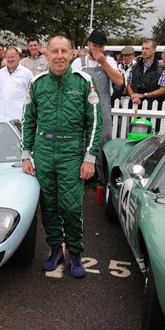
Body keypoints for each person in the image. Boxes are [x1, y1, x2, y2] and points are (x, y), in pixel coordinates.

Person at [22, 35, 102, 278]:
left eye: (63, 51)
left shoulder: (84, 82)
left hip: (71, 154)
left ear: (72, 54)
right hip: (44, 152)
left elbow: (95, 122)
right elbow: (28, 120)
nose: (59, 55)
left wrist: (90, 158)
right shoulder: (37, 83)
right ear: (46, 54)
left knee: (70, 206)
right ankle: (55, 249)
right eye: (54, 51)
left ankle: (75, 253)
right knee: (49, 207)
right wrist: (26, 154)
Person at [71, 30, 123, 183]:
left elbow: (120, 82)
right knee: (82, 139)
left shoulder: (111, 62)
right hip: (81, 108)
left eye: (101, 46)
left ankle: (102, 180)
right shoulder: (78, 63)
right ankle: (81, 177)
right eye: (94, 46)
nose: (97, 50)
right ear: (88, 44)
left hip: (103, 108)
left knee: (103, 141)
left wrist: (104, 62)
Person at [0, 47, 33, 120]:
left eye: (12, 57)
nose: (10, 59)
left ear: (18, 57)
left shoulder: (27, 73)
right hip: (2, 115)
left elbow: (31, 95)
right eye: (8, 57)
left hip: (18, 117)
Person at [126, 39, 165, 106]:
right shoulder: (135, 67)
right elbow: (129, 85)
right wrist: (133, 96)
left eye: (147, 48)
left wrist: (144, 95)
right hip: (135, 105)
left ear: (154, 50)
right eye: (143, 48)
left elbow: (162, 90)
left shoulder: (162, 68)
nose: (144, 51)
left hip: (153, 107)